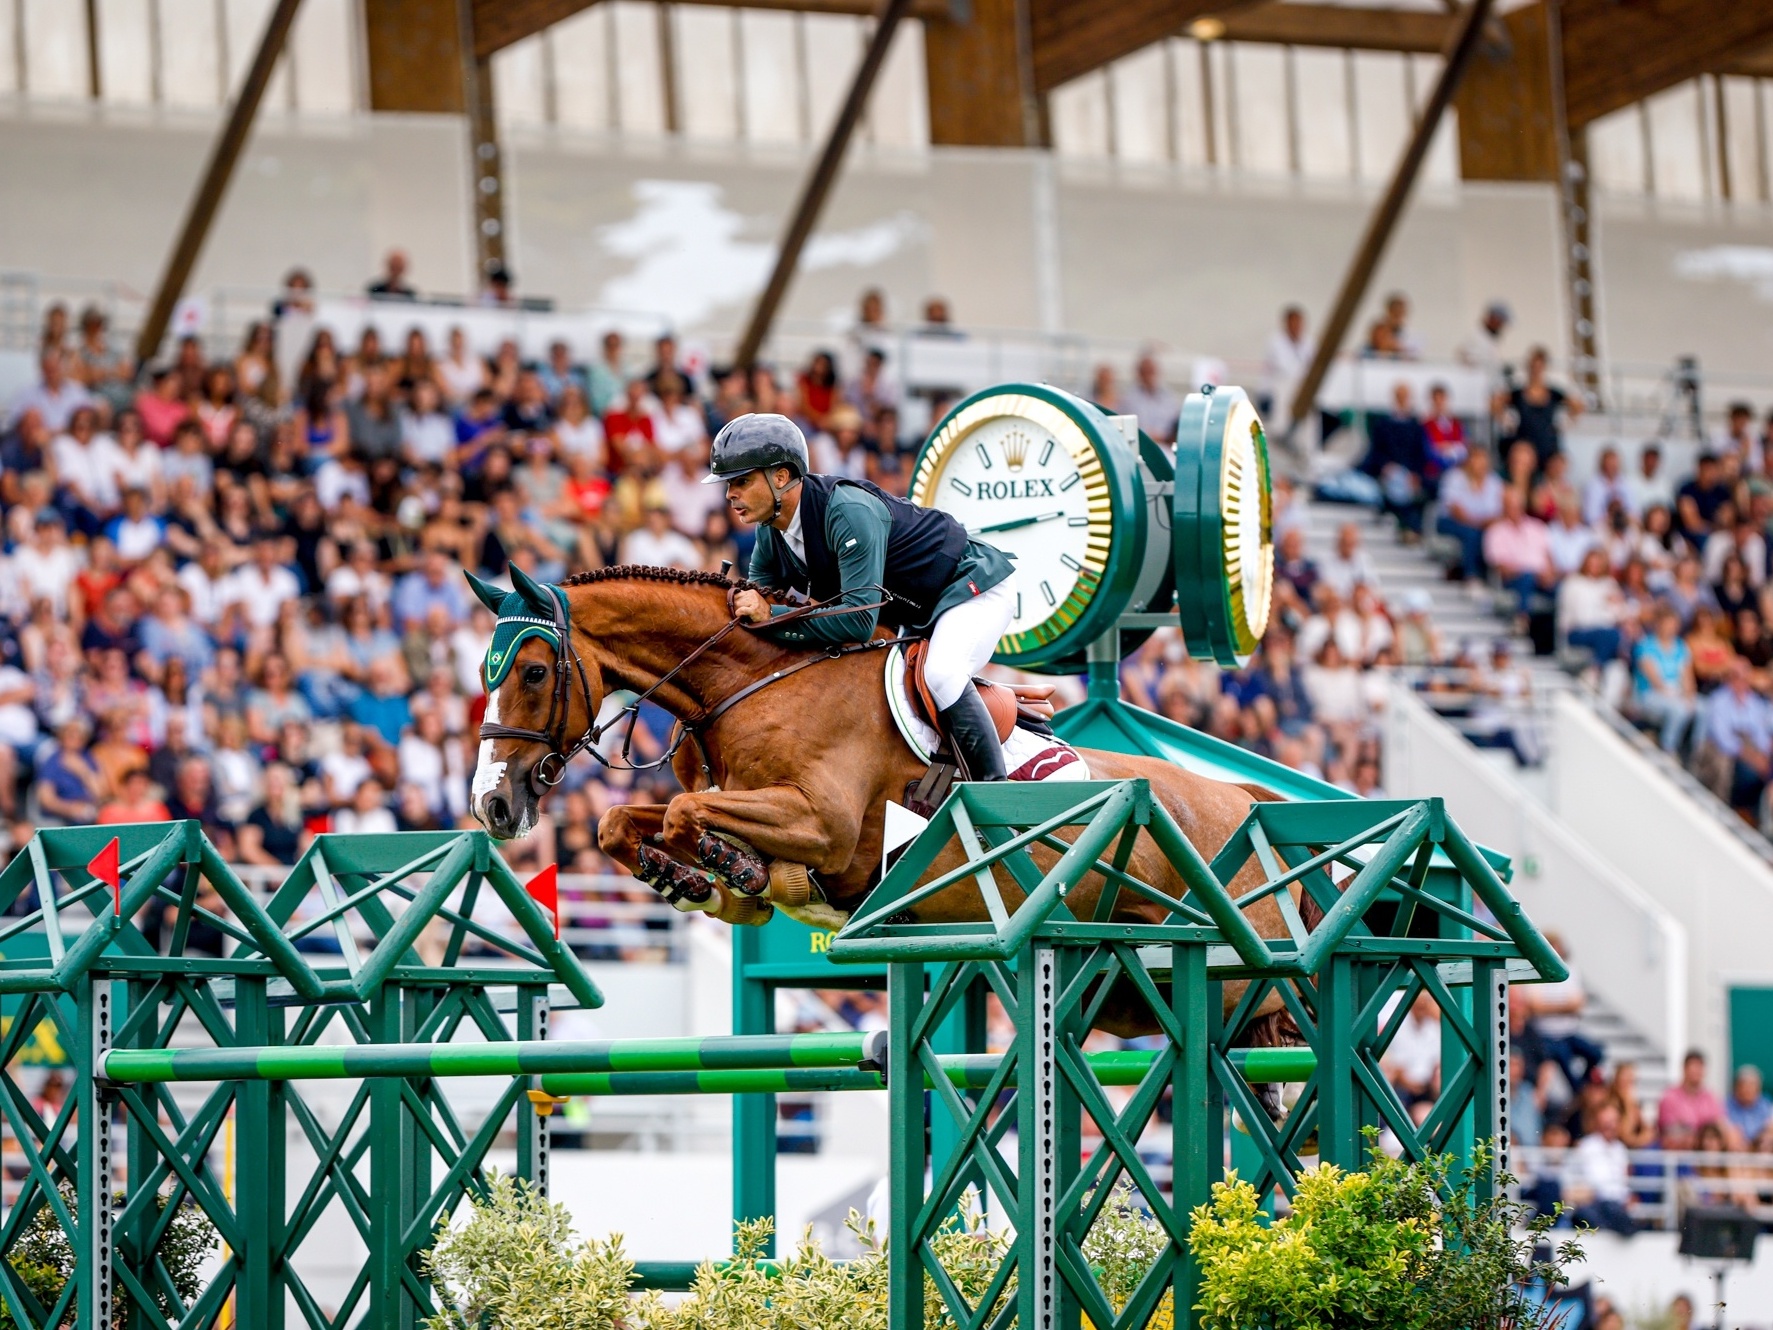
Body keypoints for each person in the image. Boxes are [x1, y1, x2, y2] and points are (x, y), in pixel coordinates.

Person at [710, 413, 1016, 781]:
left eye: (740, 481)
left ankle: (997, 800)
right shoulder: (769, 532)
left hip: (968, 586)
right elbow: (757, 609)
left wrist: (770, 614)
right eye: (729, 485)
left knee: (943, 674)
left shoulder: (847, 511)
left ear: (780, 477)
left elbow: (858, 620)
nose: (730, 495)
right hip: (910, 609)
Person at [1561, 1103, 1634, 1234]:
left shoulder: (1620, 1149)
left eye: (1613, 1122)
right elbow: (1569, 1178)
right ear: (1598, 1123)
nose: (1610, 1126)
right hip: (1593, 1204)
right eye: (1606, 1122)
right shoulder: (1586, 1147)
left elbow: (1623, 1182)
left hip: (1616, 1204)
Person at [1632, 607, 1697, 753]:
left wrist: (1689, 696)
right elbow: (1654, 678)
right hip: (1650, 695)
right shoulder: (1645, 645)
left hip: (1677, 693)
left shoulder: (1681, 647)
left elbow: (1687, 677)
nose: (1671, 628)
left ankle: (1694, 750)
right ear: (1659, 624)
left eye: (1674, 624)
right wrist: (1676, 695)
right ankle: (1668, 748)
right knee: (1679, 710)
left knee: (1702, 709)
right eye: (1668, 624)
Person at [1436, 448, 1504, 582]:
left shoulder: (1494, 481)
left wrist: (1485, 523)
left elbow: (1497, 512)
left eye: (1483, 459)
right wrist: (1480, 523)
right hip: (1450, 521)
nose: (1479, 463)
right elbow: (1456, 511)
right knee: (1472, 534)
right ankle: (1470, 574)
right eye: (1475, 459)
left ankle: (1489, 576)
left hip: (1481, 524)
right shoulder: (1454, 477)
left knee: (1494, 533)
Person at [1658, 1049, 1725, 1140]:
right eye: (1694, 1066)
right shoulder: (1670, 1096)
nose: (1697, 1071)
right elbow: (1670, 1132)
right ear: (1684, 1068)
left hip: (1706, 1148)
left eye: (1700, 1067)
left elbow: (1719, 1124)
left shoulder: (1710, 1097)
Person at [1123, 351, 1181, 444]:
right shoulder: (1129, 399)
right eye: (1145, 372)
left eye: (1151, 371)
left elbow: (1174, 423)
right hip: (1141, 445)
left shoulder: (1168, 397)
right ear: (1139, 373)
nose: (1149, 375)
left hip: (1167, 445)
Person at [1725, 1065, 1773, 1146]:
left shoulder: (1766, 1105)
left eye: (1751, 1085)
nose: (1747, 1089)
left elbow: (1769, 1127)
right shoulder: (1726, 1105)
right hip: (1735, 1149)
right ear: (1737, 1087)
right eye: (1744, 1085)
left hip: (1759, 1148)